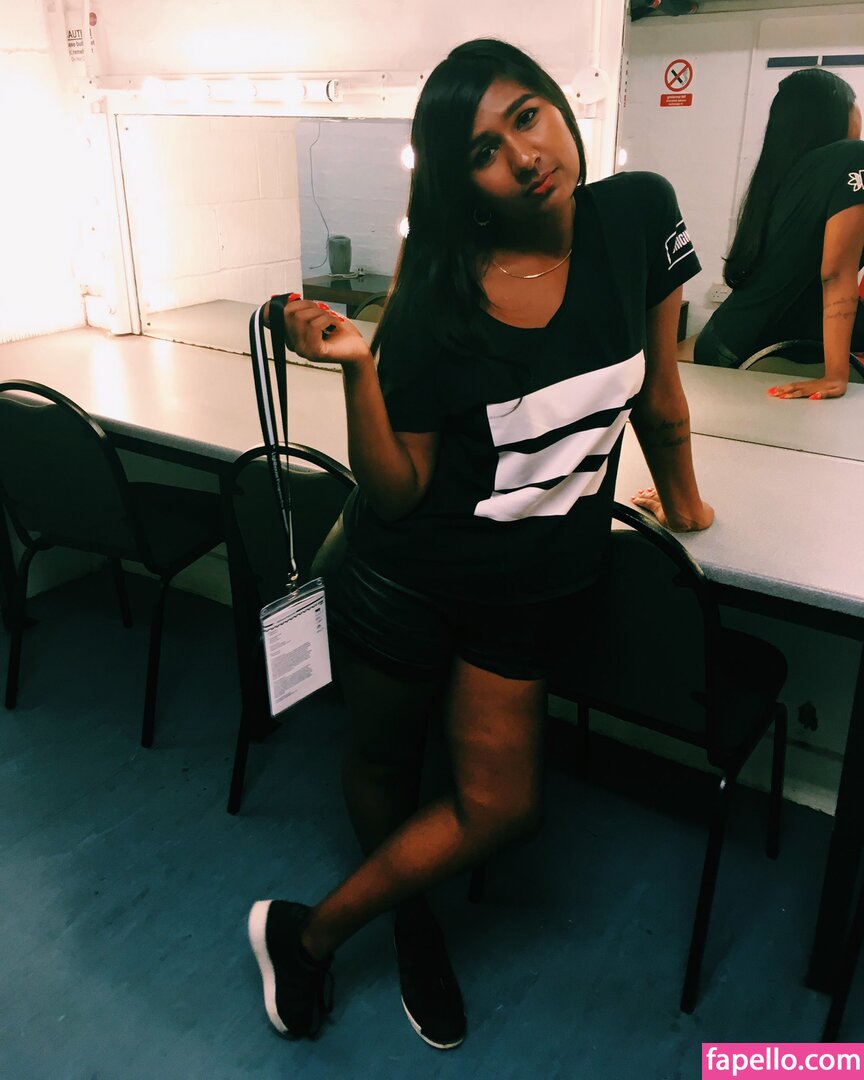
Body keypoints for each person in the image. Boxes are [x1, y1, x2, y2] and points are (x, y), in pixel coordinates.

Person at [248, 37, 713, 1050]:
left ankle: (304, 933)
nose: (524, 155)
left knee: (503, 805)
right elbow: (398, 490)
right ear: (463, 184)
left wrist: (685, 504)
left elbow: (659, 394)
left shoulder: (638, 216)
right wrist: (358, 366)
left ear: (559, 107)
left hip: (525, 595)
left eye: (527, 117)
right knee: (383, 761)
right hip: (402, 580)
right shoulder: (440, 296)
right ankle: (409, 923)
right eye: (483, 151)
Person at [693, 67, 864, 400]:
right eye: (854, 103)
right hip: (755, 353)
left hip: (725, 340)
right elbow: (835, 272)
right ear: (835, 113)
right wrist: (835, 375)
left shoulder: (792, 172)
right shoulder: (854, 157)